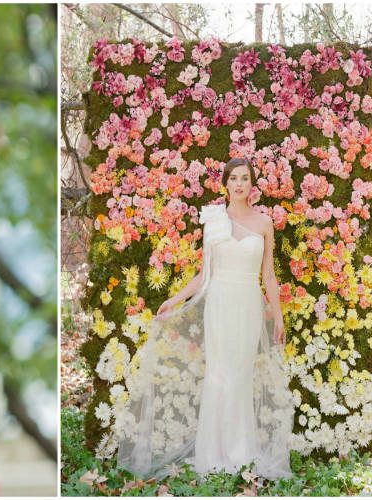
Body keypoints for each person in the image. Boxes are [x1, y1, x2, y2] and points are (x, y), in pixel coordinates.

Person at [115, 157, 297, 479]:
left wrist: (278, 315)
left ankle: (241, 453)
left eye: (244, 178)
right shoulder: (213, 220)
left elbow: (268, 275)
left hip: (248, 306)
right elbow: (204, 274)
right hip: (220, 304)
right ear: (225, 183)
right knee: (219, 374)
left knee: (241, 376)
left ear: (251, 184)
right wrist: (174, 299)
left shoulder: (264, 223)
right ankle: (212, 454)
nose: (239, 184)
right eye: (233, 179)